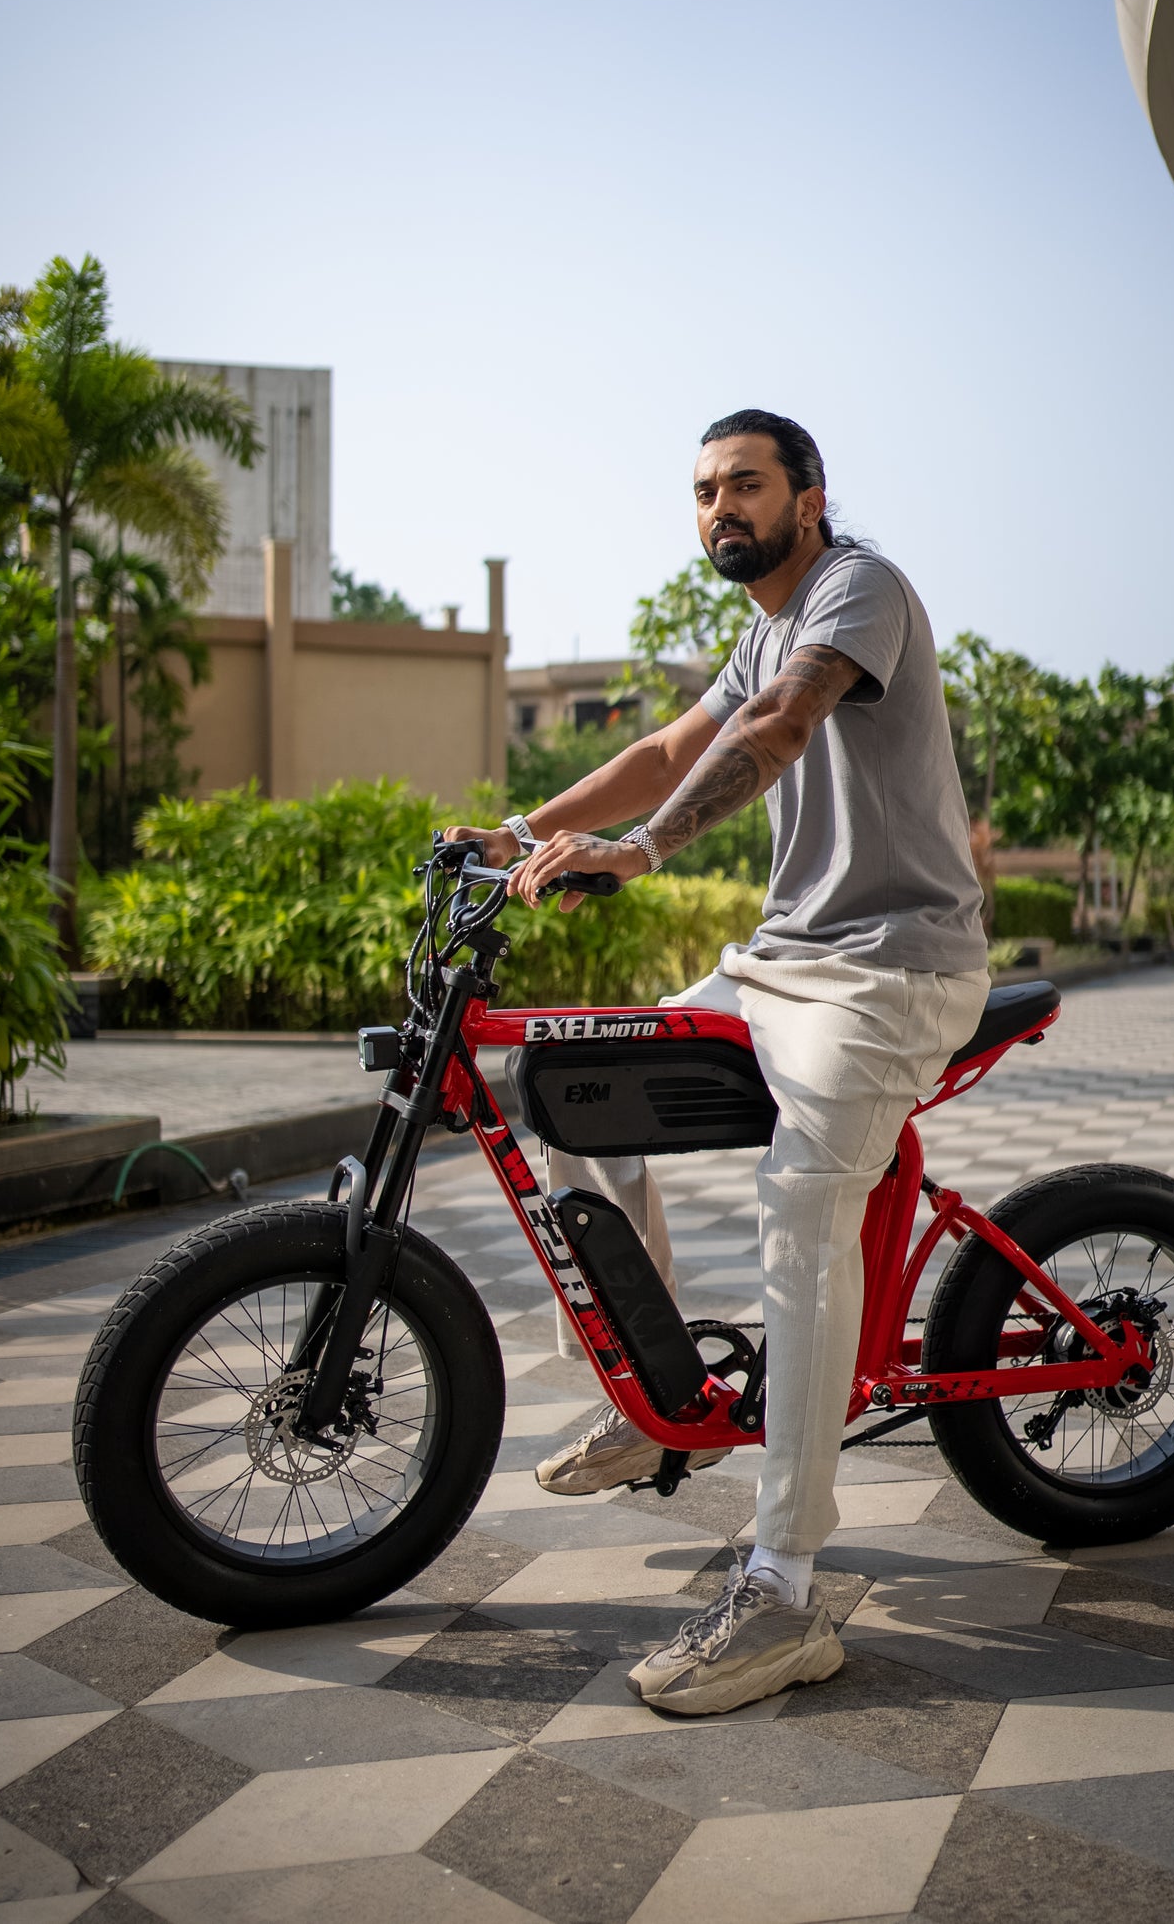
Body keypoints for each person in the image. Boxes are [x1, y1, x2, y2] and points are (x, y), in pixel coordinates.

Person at [454, 408, 988, 1715]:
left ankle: (784, 1590)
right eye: (701, 490)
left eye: (743, 484)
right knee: (567, 1089)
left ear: (808, 496)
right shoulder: (757, 627)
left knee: (802, 1208)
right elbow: (664, 751)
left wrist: (639, 853)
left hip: (890, 969)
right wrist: (520, 828)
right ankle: (654, 1398)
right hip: (777, 965)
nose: (718, 508)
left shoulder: (854, 591)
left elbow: (780, 730)